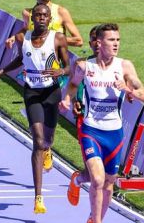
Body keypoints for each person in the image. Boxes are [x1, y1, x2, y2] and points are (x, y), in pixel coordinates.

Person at [0, 4, 69, 214]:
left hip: (51, 93)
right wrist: (0, 72)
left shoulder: (58, 39)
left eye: (45, 15)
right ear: (32, 18)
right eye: (37, 15)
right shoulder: (24, 39)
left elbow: (69, 66)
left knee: (47, 141)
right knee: (37, 142)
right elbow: (20, 60)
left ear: (50, 19)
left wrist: (61, 72)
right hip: (32, 93)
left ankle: (48, 148)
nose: (41, 18)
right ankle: (38, 197)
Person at [59, 23, 144, 223]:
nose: (116, 44)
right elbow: (72, 84)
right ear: (99, 42)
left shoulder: (124, 66)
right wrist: (67, 99)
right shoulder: (84, 66)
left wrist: (128, 89)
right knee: (97, 179)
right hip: (91, 131)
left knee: (108, 184)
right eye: (111, 40)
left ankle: (94, 218)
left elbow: (141, 93)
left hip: (114, 134)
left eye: (118, 40)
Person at [67, 26, 100, 207]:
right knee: (95, 175)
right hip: (86, 123)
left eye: (100, 38)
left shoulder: (118, 66)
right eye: (93, 39)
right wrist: (73, 102)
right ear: (90, 43)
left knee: (102, 177)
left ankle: (78, 179)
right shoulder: (81, 65)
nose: (97, 43)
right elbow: (73, 87)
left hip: (111, 127)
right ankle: (93, 217)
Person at [6, 0, 82, 48]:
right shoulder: (27, 13)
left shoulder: (61, 12)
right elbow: (26, 29)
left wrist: (49, 38)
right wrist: (15, 37)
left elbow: (78, 41)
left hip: (54, 59)